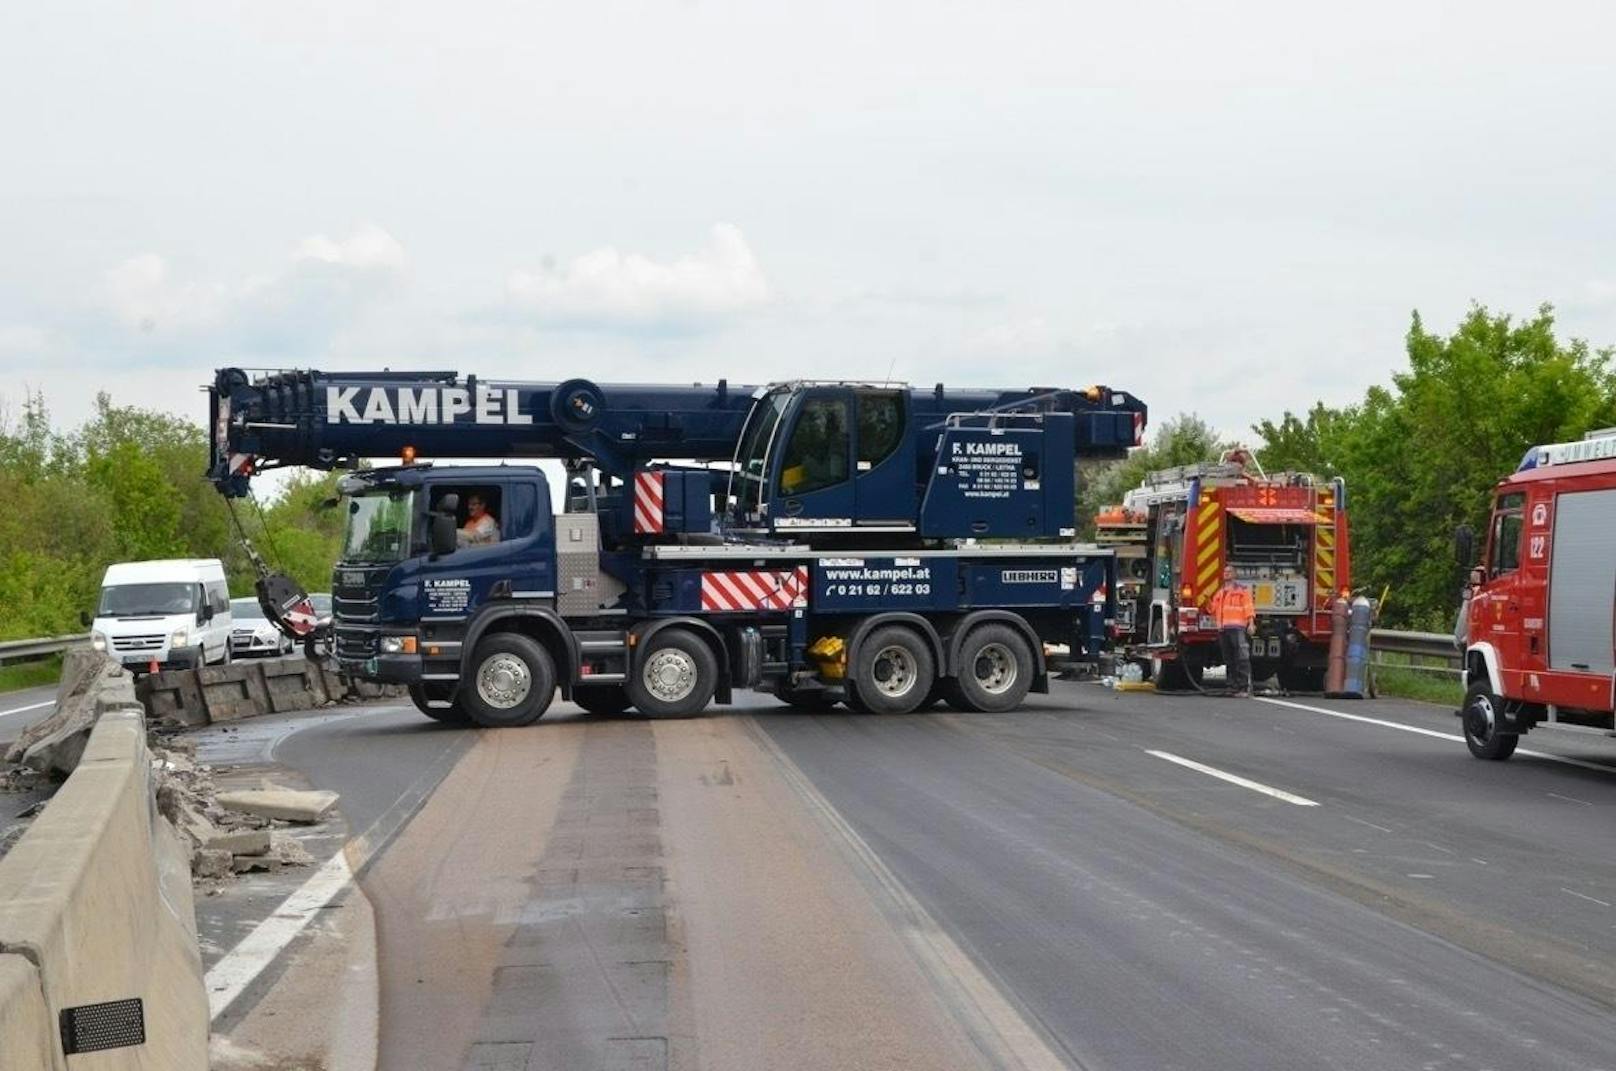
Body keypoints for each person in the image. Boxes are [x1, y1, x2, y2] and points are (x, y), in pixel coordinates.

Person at [1208, 564, 1256, 696]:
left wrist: (1251, 623)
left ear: (1235, 574)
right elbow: (1213, 609)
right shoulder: (1220, 593)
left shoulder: (1242, 591)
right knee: (1228, 659)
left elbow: (1249, 608)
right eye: (1225, 571)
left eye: (1229, 572)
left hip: (1238, 628)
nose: (1226, 573)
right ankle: (1231, 686)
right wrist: (1207, 601)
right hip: (1223, 629)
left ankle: (1243, 687)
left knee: (1241, 657)